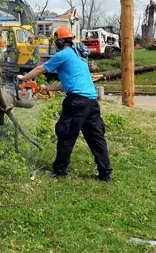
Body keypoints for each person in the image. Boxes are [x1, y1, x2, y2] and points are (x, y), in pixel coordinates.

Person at [17, 27, 112, 181]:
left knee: (66, 134)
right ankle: (105, 174)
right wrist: (48, 88)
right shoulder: (78, 55)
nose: (55, 45)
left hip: (76, 102)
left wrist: (23, 78)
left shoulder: (62, 54)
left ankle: (59, 171)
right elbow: (69, 83)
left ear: (60, 41)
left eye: (56, 42)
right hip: (91, 103)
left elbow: (41, 69)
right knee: (96, 138)